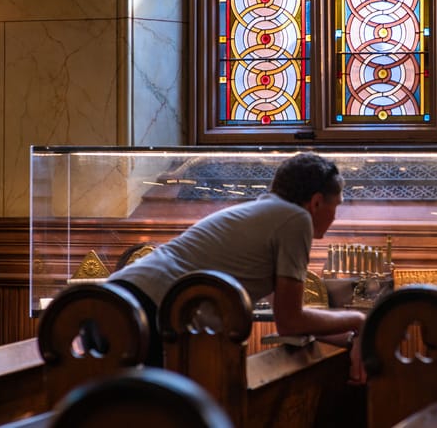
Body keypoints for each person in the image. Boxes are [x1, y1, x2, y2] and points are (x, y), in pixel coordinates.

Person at [109, 152, 366, 382]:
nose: (336, 217)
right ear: (317, 202)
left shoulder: (268, 214)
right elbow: (291, 322)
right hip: (150, 308)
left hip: (117, 299)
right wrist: (359, 320)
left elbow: (289, 317)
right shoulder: (296, 219)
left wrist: (352, 337)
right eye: (337, 205)